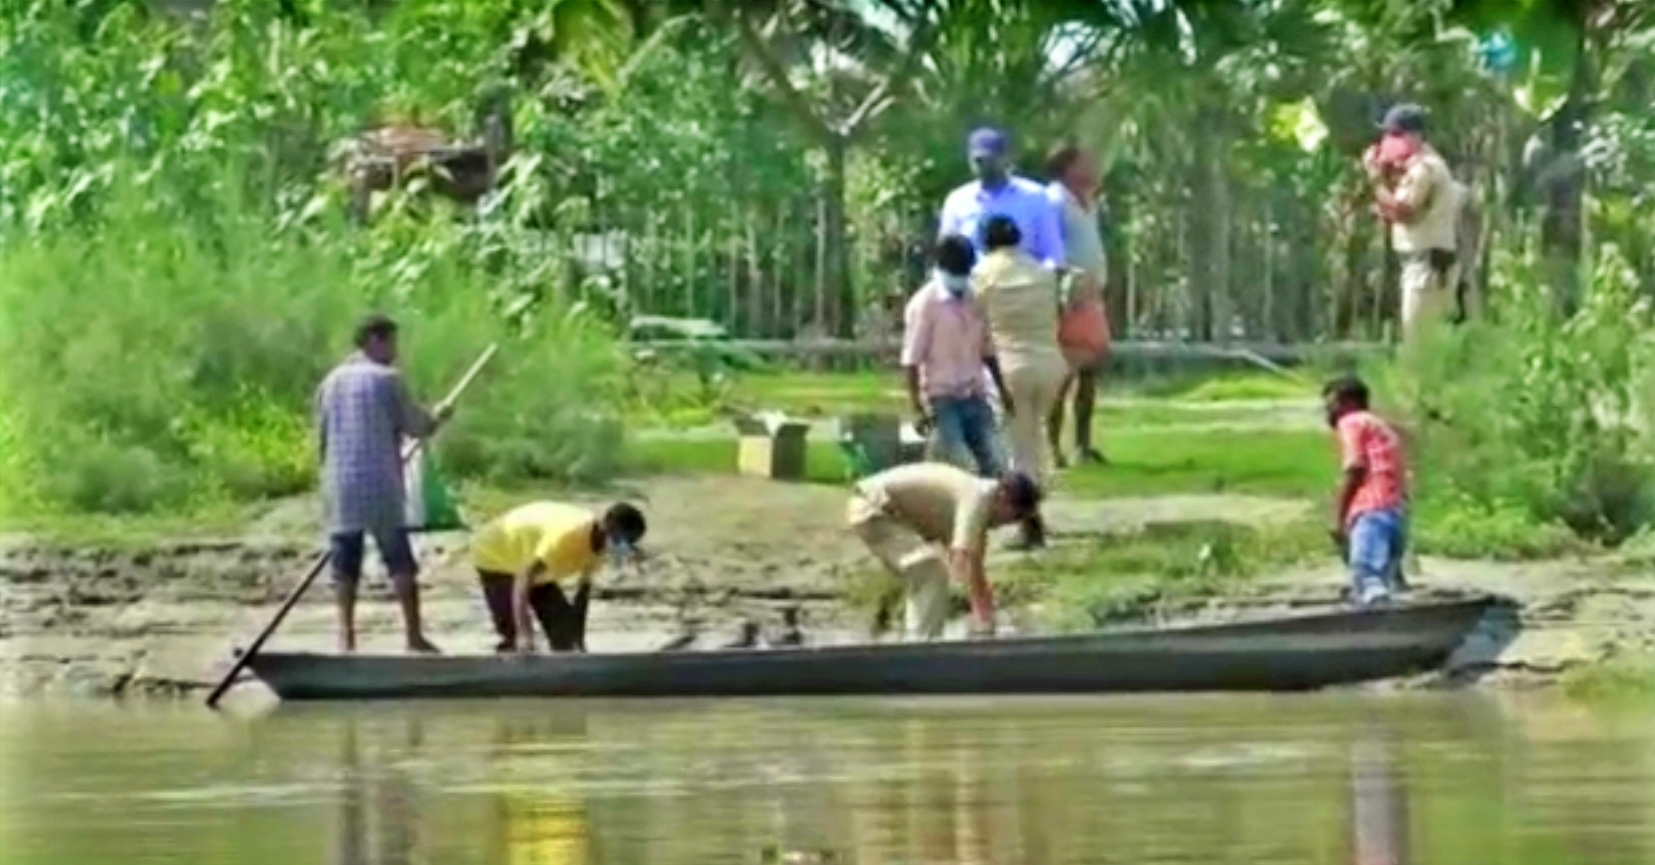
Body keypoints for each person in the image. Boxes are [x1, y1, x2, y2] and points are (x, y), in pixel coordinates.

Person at [315, 312, 451, 654]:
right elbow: (416, 426)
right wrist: (439, 416)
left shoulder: (329, 382)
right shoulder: (387, 379)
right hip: (379, 485)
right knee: (399, 561)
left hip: (338, 485)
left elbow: (322, 436)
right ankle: (413, 637)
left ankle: (346, 639)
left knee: (345, 564)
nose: (395, 350)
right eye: (391, 342)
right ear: (375, 341)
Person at [846, 462, 1043, 640]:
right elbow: (961, 557)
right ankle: (920, 648)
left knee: (924, 570)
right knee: (930, 570)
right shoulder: (977, 497)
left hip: (889, 513)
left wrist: (986, 626)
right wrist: (956, 579)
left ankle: (904, 635)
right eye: (1015, 517)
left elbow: (976, 576)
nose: (1007, 524)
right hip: (873, 508)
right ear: (1004, 498)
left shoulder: (981, 507)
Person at [972, 214, 1065, 549]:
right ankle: (1033, 509)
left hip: (1010, 366)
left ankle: (1029, 521)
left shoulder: (982, 274)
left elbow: (975, 325)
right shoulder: (1042, 272)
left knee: (1017, 446)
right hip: (1050, 363)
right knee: (1034, 439)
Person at [469, 500, 647, 654]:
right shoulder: (568, 538)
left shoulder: (598, 546)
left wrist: (578, 642)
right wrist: (524, 632)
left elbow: (582, 596)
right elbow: (524, 577)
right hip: (496, 554)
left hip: (532, 560)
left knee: (564, 636)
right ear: (606, 524)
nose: (622, 546)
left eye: (628, 543)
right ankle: (508, 667)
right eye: (620, 539)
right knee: (516, 637)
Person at [902, 234, 1011, 477]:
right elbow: (911, 359)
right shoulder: (926, 304)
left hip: (974, 393)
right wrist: (917, 407)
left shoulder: (976, 299)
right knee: (963, 466)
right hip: (942, 398)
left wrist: (1004, 392)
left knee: (996, 463)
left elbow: (988, 351)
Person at [1362, 103, 1465, 341]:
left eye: (1396, 134)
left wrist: (1375, 178)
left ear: (1416, 136)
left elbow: (1403, 210)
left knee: (1419, 343)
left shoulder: (1424, 169)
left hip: (1426, 268)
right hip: (1427, 266)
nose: (1389, 141)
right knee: (1426, 341)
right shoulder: (1418, 167)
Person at [1043, 140, 1111, 467]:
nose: (1094, 167)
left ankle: (1083, 444)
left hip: (1091, 296)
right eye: (1086, 162)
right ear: (1069, 168)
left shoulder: (1089, 202)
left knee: (1090, 369)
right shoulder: (1054, 201)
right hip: (1068, 296)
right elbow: (1045, 248)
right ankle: (1051, 446)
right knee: (1062, 372)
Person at [1323, 375, 1410, 607]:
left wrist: (1338, 517)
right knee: (1383, 581)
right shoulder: (1380, 426)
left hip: (1371, 510)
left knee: (1366, 575)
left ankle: (1373, 628)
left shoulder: (1352, 421)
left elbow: (1355, 469)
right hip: (1394, 511)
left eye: (1331, 405)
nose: (1328, 412)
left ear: (1348, 403)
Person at [937, 126, 1065, 269]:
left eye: (991, 160)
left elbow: (1053, 254)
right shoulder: (957, 201)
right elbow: (946, 256)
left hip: (1024, 283)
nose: (984, 166)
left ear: (1006, 158)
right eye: (979, 161)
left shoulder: (1035, 196)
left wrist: (1038, 280)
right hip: (973, 285)